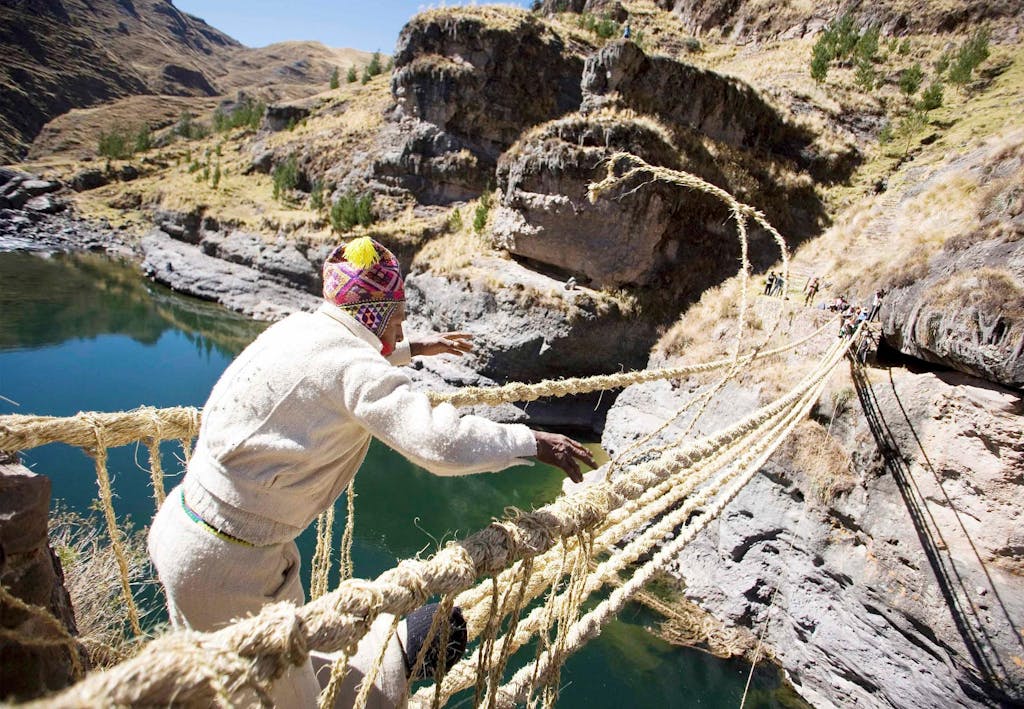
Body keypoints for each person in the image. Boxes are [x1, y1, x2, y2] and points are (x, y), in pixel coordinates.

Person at [147, 237, 596, 707]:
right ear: (376, 314)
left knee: (217, 688)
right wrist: (530, 442)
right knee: (282, 700)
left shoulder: (300, 329)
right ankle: (387, 663)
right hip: (230, 570)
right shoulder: (350, 364)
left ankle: (382, 663)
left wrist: (413, 348)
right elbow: (438, 444)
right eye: (398, 318)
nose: (401, 328)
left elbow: (335, 366)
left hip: (189, 532)